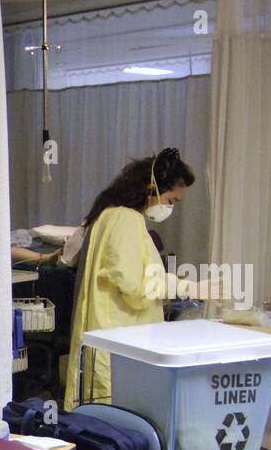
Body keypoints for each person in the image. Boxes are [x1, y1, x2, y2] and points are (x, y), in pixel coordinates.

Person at [63, 148, 195, 410]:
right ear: (152, 187)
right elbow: (135, 287)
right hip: (118, 341)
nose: (170, 208)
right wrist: (188, 287)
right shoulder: (125, 220)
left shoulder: (110, 215)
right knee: (116, 415)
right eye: (171, 200)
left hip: (111, 336)